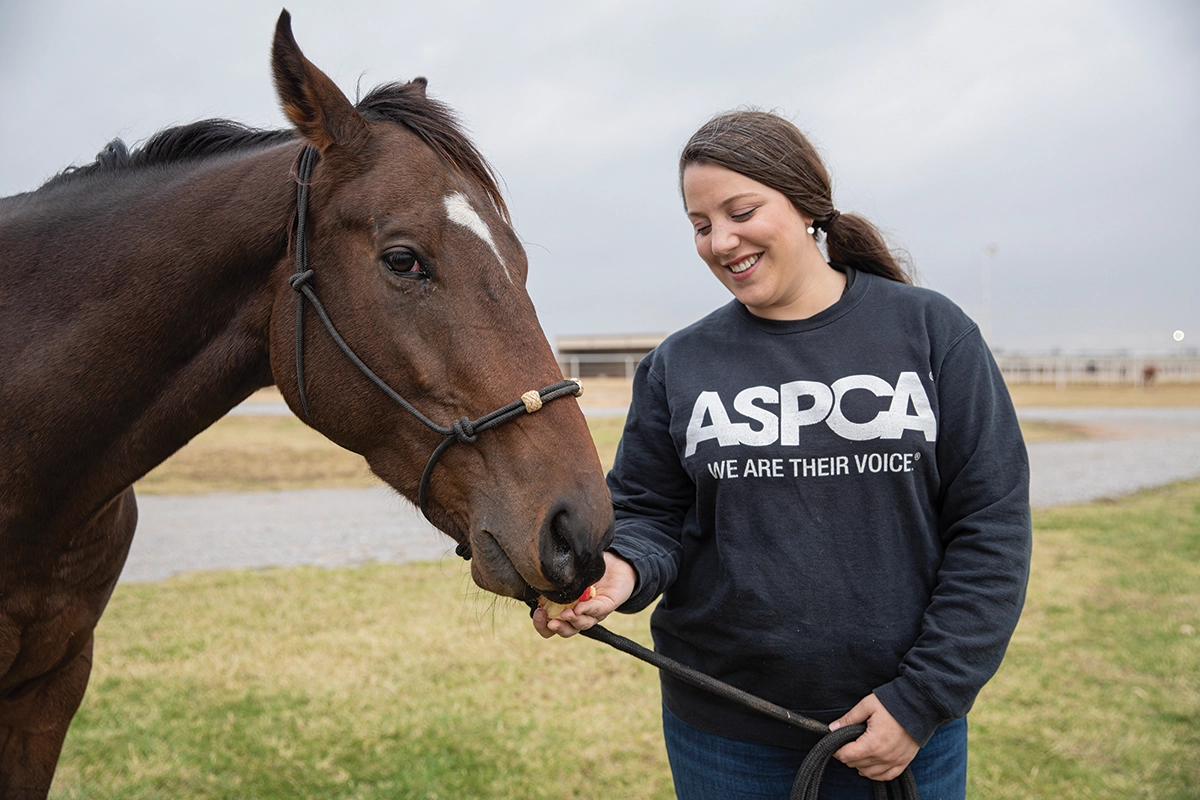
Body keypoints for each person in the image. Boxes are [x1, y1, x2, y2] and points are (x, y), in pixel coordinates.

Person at [533, 109, 1031, 800]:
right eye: (700, 225)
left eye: (741, 211)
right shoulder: (679, 364)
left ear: (805, 205)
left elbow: (991, 530)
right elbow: (652, 514)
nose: (720, 241)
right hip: (726, 739)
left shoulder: (931, 332)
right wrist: (619, 572)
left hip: (901, 736)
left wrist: (922, 700)